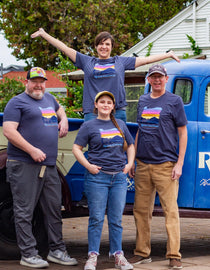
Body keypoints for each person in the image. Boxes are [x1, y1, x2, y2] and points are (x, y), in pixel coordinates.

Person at [3, 67, 78, 269]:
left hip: (49, 166)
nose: (38, 85)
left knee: (54, 210)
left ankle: (57, 251)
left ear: (45, 82)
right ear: (26, 82)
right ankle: (28, 254)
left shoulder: (49, 99)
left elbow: (59, 107)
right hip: (25, 164)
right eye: (34, 81)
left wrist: (63, 119)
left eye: (41, 81)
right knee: (24, 211)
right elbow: (9, 131)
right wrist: (32, 150)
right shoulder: (17, 102)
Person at [31, 28, 180, 122]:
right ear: (96, 47)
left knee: (118, 147)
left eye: (107, 44)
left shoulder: (120, 62)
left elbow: (145, 60)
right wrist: (44, 34)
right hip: (93, 112)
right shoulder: (86, 61)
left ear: (111, 47)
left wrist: (168, 54)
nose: (104, 47)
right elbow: (64, 48)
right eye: (101, 44)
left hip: (117, 111)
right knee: (96, 148)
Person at [129, 64, 188, 269]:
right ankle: (142, 252)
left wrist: (179, 163)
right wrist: (134, 159)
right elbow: (139, 131)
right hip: (144, 165)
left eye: (159, 77)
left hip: (166, 165)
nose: (156, 80)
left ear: (166, 78)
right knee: (141, 211)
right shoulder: (143, 100)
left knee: (170, 211)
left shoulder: (174, 101)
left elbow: (182, 132)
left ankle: (174, 255)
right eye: (153, 77)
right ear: (148, 80)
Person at [72, 91, 135, 270]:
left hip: (119, 179)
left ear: (113, 106)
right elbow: (77, 148)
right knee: (96, 218)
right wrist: (88, 166)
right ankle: (93, 255)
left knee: (116, 219)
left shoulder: (120, 124)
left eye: (109, 102)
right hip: (97, 179)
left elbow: (130, 145)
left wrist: (129, 164)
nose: (106, 105)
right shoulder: (89, 125)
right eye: (102, 102)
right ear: (96, 105)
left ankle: (118, 255)